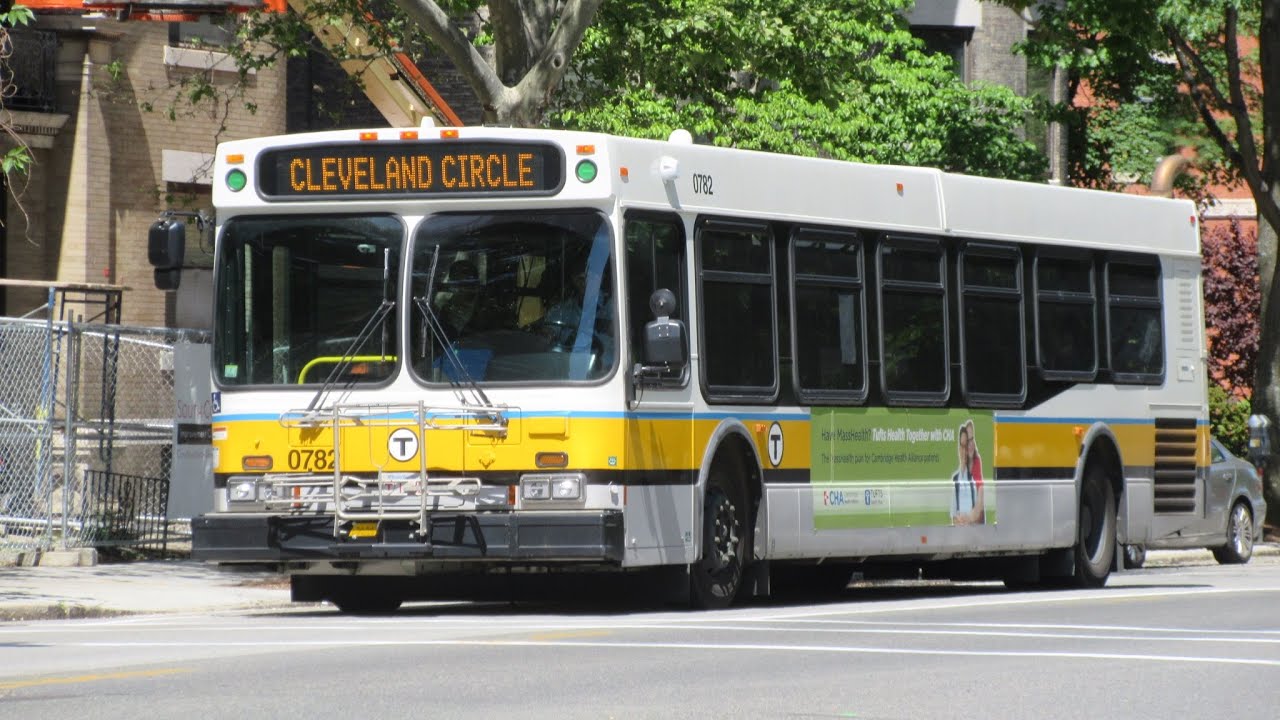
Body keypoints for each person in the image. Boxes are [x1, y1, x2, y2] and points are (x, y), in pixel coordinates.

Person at [951, 419, 986, 525]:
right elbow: (954, 514)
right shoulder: (957, 477)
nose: (970, 445)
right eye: (967, 442)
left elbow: (979, 504)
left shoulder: (977, 461)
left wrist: (966, 519)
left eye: (972, 440)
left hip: (976, 524)